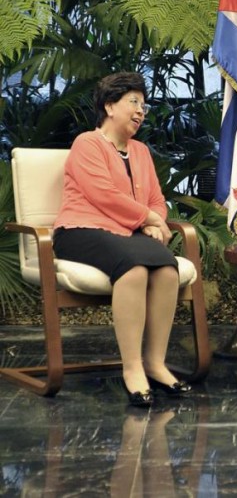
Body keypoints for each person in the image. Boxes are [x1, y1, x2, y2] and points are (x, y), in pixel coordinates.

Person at [53, 72, 193, 407]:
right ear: (109, 106)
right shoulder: (87, 143)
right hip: (80, 230)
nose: (141, 110)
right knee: (133, 269)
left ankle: (155, 364)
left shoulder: (141, 151)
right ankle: (132, 369)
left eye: (144, 105)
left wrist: (155, 221)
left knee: (167, 269)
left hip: (126, 234)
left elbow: (156, 199)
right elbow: (104, 196)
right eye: (133, 102)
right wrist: (149, 219)